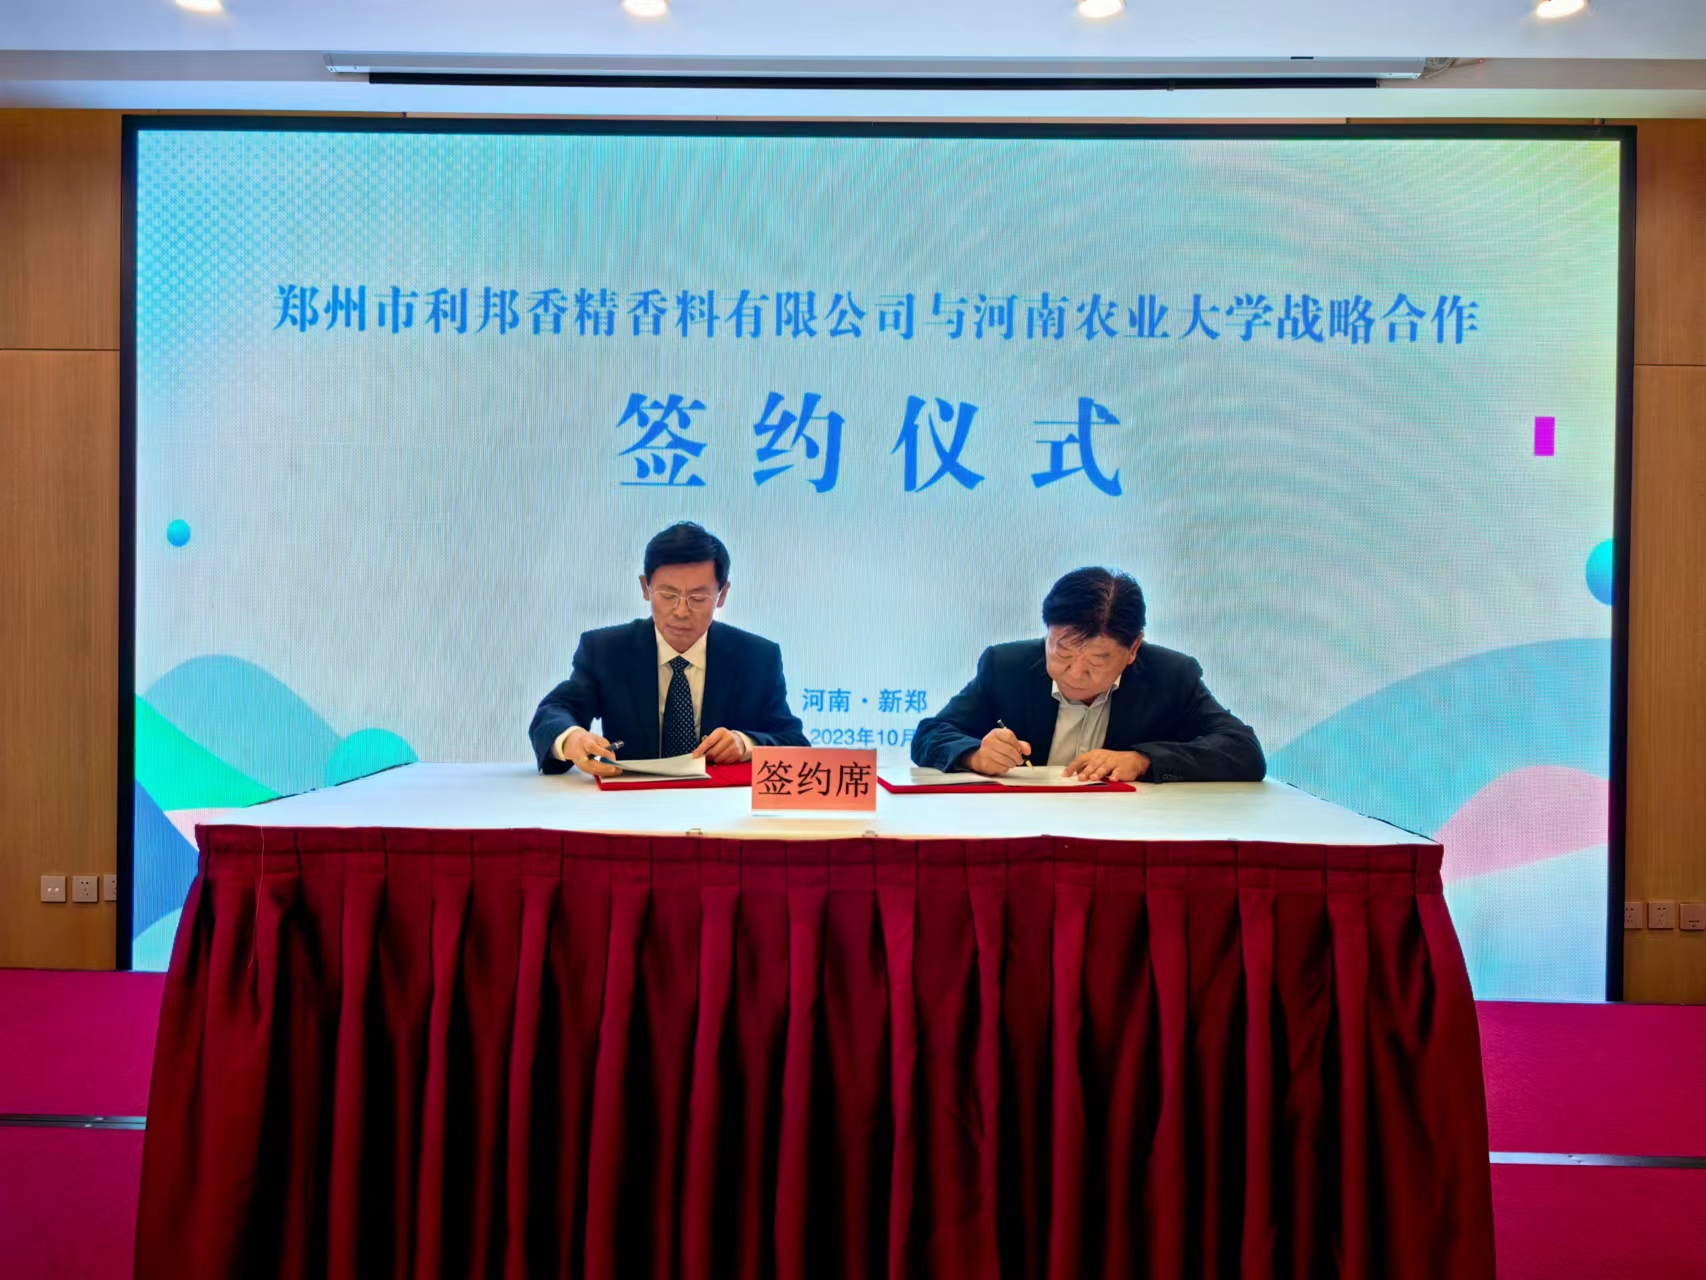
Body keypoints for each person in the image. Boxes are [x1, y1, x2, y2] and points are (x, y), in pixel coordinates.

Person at [910, 567, 1264, 783]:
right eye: (1062, 651)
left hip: (1126, 837)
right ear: (1047, 632)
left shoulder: (1170, 677)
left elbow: (1243, 751)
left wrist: (1143, 760)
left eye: (1097, 659)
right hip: (1025, 830)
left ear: (1133, 649)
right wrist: (975, 755)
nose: (1076, 672)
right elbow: (930, 734)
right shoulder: (1005, 667)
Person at [530, 521, 808, 777]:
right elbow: (555, 710)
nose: (681, 611)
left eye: (698, 597)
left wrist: (744, 743)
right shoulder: (606, 651)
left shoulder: (757, 658)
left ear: (722, 594)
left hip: (718, 804)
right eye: (668, 595)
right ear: (646, 588)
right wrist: (573, 739)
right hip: (630, 802)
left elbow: (793, 741)